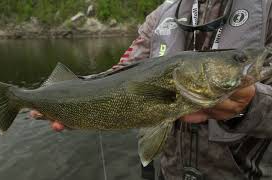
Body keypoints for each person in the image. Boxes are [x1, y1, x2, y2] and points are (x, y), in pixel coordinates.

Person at [31, 0, 272, 179]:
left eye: (238, 60)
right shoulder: (161, 15)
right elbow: (120, 73)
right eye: (238, 60)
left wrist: (252, 104)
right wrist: (68, 93)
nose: (242, 62)